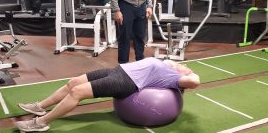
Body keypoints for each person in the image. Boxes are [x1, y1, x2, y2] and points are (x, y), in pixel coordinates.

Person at [15, 57, 200, 132]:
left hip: (126, 82)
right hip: (118, 70)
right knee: (73, 83)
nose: (187, 66)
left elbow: (195, 82)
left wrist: (191, 74)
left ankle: (41, 123)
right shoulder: (168, 64)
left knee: (77, 92)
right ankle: (39, 107)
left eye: (188, 68)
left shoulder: (174, 78)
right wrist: (174, 64)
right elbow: (170, 61)